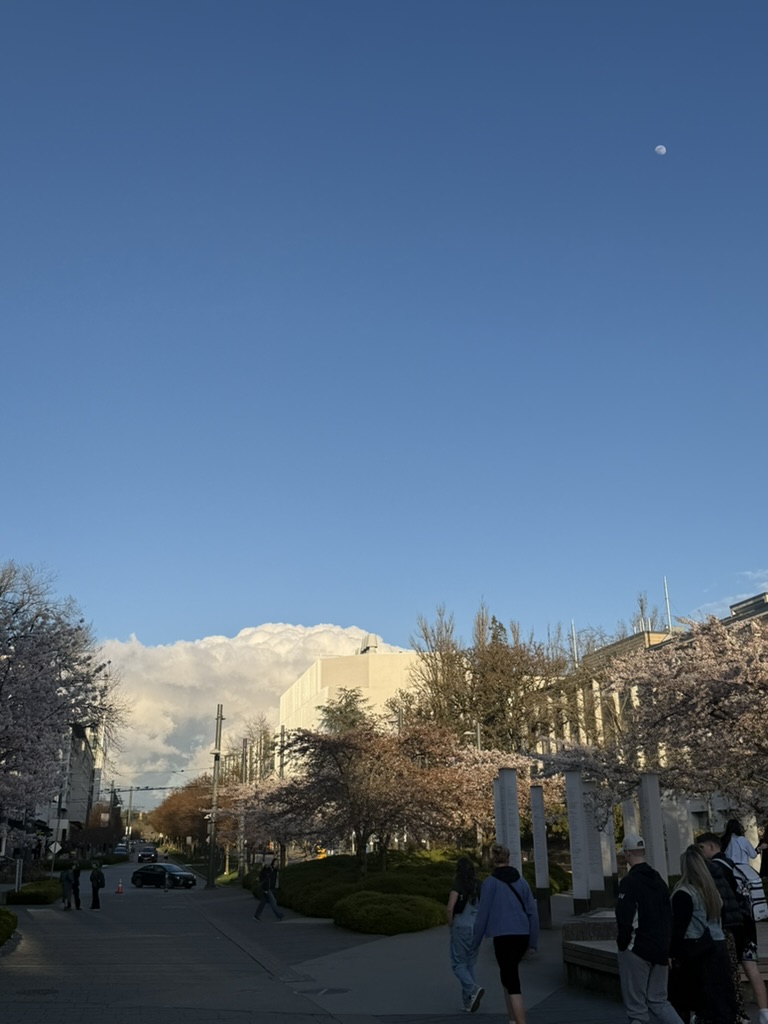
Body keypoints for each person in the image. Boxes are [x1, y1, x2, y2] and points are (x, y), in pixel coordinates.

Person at [698, 832, 768, 1024]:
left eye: (702, 848)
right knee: (752, 969)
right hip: (748, 925)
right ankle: (764, 1013)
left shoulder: (715, 868)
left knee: (730, 971)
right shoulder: (733, 864)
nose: (700, 853)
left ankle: (738, 1013)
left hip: (732, 926)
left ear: (711, 847)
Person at [615, 834, 682, 1024]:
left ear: (627, 854)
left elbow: (624, 918)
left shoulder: (629, 882)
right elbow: (668, 916)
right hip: (660, 949)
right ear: (643, 852)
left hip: (636, 949)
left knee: (637, 1009)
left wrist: (623, 944)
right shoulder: (659, 881)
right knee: (659, 1001)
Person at [471, 843, 538, 1024]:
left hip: (503, 936)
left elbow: (482, 915)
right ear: (509, 859)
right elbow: (532, 913)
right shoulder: (522, 882)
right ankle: (512, 1020)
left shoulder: (490, 884)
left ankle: (519, 1021)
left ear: (494, 860)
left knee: (512, 981)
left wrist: (475, 943)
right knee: (507, 977)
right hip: (522, 935)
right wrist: (533, 943)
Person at [669, 846, 734, 1024]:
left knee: (682, 1002)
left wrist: (672, 954)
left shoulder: (684, 893)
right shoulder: (713, 892)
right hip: (718, 949)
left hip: (694, 953)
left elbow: (679, 929)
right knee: (718, 1005)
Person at [446, 856, 483, 1013]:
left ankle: (472, 989)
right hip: (476, 926)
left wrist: (450, 924)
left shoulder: (458, 884)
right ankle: (468, 1002)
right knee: (470, 963)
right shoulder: (478, 884)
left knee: (458, 963)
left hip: (461, 925)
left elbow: (450, 908)